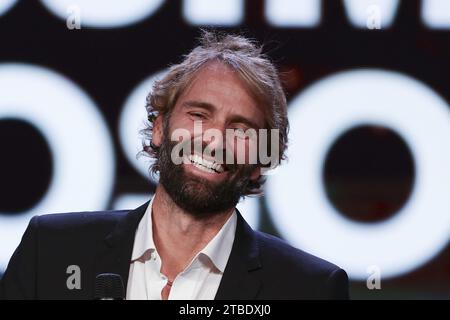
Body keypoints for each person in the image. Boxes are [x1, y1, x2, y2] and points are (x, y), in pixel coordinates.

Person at [0, 30, 349, 300]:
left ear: (261, 160)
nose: (213, 140)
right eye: (198, 114)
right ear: (158, 127)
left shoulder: (308, 288)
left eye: (241, 129)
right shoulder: (50, 251)